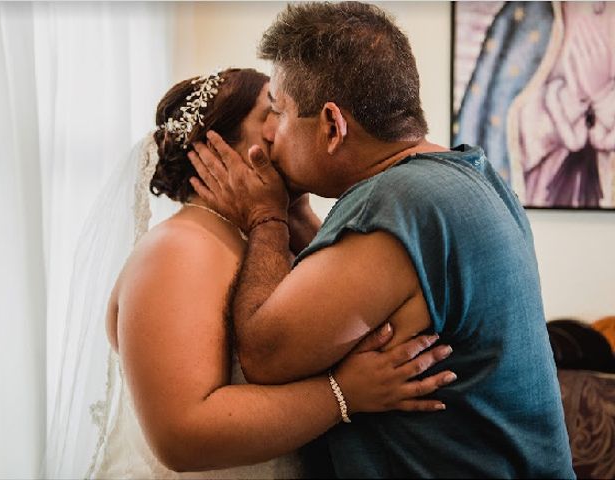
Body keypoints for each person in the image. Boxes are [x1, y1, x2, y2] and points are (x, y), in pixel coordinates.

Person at [188, 2, 576, 478]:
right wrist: (301, 215)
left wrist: (266, 216)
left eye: (280, 112)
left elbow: (266, 355)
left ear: (332, 126)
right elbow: (366, 283)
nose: (269, 135)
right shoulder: (469, 174)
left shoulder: (398, 203)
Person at [44, 67, 456, 479]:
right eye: (273, 112)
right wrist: (342, 394)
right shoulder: (180, 250)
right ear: (218, 146)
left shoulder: (255, 241)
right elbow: (181, 436)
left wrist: (290, 214)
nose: (289, 129)